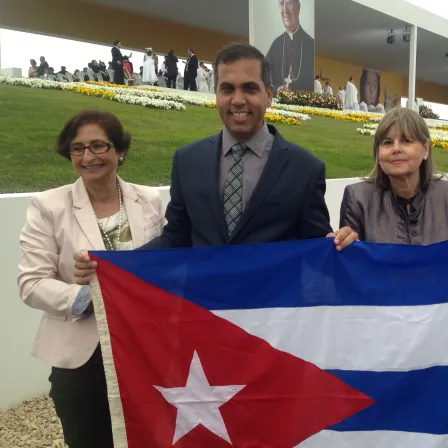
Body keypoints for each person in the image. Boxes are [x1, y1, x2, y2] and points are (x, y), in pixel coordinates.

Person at [74, 42, 332, 282]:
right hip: (204, 317)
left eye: (250, 88)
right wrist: (115, 265)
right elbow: (176, 238)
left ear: (269, 95)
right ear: (216, 93)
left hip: (270, 321)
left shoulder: (305, 168)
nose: (238, 100)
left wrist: (341, 246)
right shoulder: (188, 161)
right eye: (227, 88)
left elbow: (318, 247)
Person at [17, 110, 164, 448]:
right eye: (77, 149)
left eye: (98, 145)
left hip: (145, 349)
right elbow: (31, 283)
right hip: (82, 356)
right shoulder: (48, 206)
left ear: (119, 150)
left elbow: (160, 263)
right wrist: (90, 294)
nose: (88, 157)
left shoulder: (150, 201)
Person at [333, 108, 448, 248]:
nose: (396, 149)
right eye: (387, 142)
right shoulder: (358, 199)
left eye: (406, 140)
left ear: (426, 148)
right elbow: (352, 264)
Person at [266, 0, 315, 92]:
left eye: (289, 3)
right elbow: (263, 75)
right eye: (281, 3)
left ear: (298, 8)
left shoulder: (311, 45)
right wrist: (277, 88)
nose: (285, 10)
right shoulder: (276, 45)